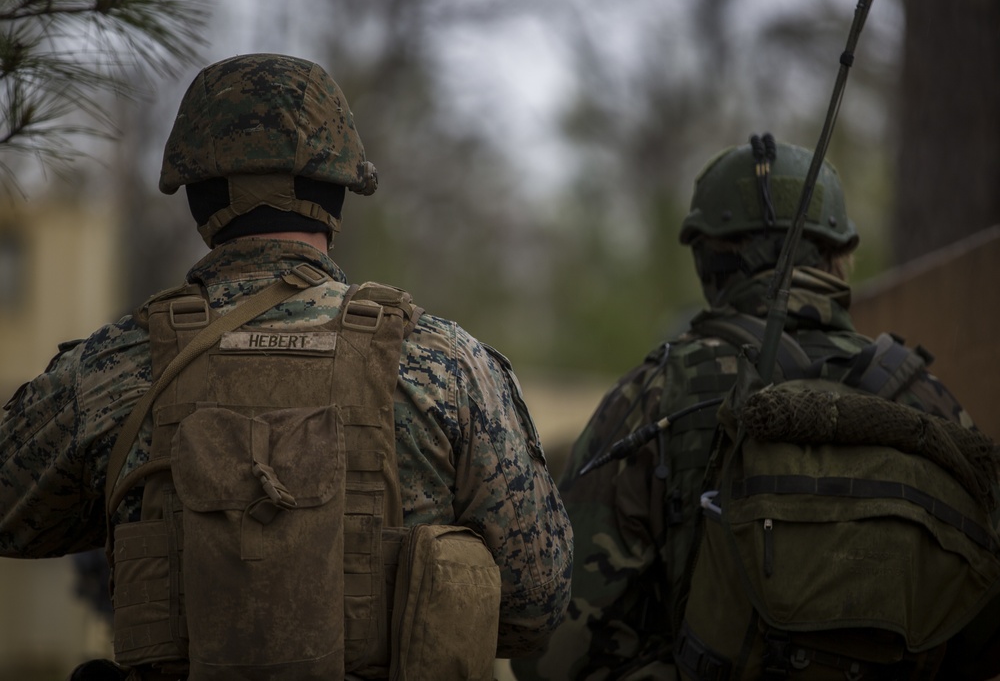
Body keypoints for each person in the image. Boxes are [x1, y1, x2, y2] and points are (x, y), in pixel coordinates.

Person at [0, 53, 573, 680]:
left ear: (198, 197)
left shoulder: (108, 369)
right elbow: (535, 604)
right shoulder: (448, 366)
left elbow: (15, 520)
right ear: (336, 195)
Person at [511, 135, 1000, 681]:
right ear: (840, 257)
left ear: (708, 260)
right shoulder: (928, 402)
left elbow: (551, 648)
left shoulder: (654, 396)